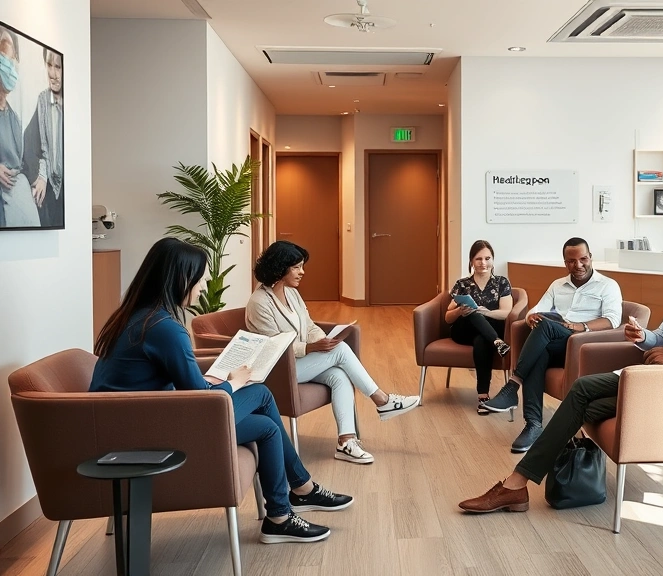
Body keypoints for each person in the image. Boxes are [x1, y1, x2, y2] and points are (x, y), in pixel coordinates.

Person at [459, 229, 663, 514]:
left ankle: (516, 482)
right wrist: (643, 337)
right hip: (657, 375)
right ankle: (518, 482)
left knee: (581, 390)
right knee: (584, 400)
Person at [90, 238, 350, 544]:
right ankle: (298, 494)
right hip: (150, 432)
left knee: (266, 428)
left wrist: (216, 381)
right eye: (198, 280)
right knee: (262, 394)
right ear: (179, 280)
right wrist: (233, 381)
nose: (201, 288)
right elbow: (199, 398)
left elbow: (176, 386)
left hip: (135, 422)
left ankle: (281, 513)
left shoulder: (134, 316)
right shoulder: (164, 328)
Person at [246, 240, 420, 465]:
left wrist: (322, 340)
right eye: (297, 267)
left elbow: (308, 326)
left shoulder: (291, 294)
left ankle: (346, 441)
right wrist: (310, 348)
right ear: (280, 268)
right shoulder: (259, 302)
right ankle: (382, 400)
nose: (302, 272)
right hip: (275, 370)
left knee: (339, 375)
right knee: (341, 351)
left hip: (297, 363)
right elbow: (273, 347)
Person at [482, 237, 622, 453]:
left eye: (583, 259)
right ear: (565, 262)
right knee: (541, 349)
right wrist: (531, 318)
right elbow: (536, 309)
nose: (578, 265)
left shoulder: (608, 285)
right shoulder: (558, 285)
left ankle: (513, 386)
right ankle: (534, 425)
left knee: (546, 327)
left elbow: (612, 320)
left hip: (584, 345)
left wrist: (579, 326)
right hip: (557, 344)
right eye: (572, 261)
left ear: (590, 257)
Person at [445, 240, 514, 415]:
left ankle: (483, 397)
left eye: (487, 258)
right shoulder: (463, 284)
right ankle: (498, 343)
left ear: (493, 260)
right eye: (478, 259)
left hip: (487, 332)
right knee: (472, 313)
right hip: (463, 331)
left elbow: (506, 313)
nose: (483, 263)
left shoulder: (501, 283)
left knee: (482, 339)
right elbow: (447, 317)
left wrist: (485, 312)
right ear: (471, 261)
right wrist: (460, 311)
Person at [0, 27, 39, 228]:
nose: (10, 63)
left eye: (12, 57)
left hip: (16, 201)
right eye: (5, 50)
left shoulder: (14, 118)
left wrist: (40, 177)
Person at [23, 48, 62, 227]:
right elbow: (30, 142)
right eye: (49, 65)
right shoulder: (43, 101)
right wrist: (41, 176)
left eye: (58, 67)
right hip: (49, 191)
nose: (53, 74)